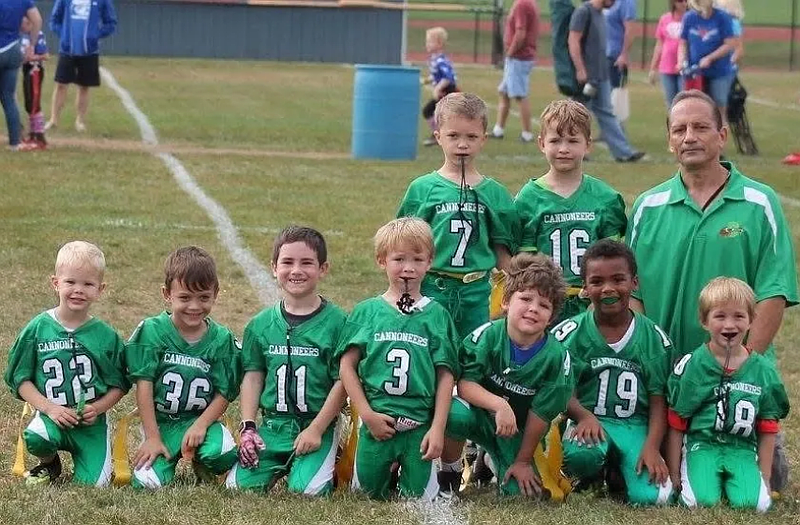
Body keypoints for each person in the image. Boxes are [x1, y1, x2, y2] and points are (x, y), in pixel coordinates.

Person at [626, 89, 798, 493]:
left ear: (722, 136)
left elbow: (774, 292)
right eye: (680, 129)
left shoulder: (759, 202)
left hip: (737, 370)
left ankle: (749, 436)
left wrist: (743, 365)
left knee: (766, 481)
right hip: (666, 377)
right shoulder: (648, 206)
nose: (690, 137)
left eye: (701, 127)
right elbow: (631, 290)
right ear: (669, 139)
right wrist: (648, 361)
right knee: (639, 480)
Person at [336, 217, 459, 500]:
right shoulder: (367, 311)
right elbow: (347, 366)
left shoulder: (437, 315)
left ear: (430, 262)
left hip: (418, 425)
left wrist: (438, 427)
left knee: (420, 499)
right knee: (365, 496)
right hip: (376, 422)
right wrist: (366, 414)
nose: (408, 268)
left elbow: (446, 375)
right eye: (399, 259)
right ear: (382, 261)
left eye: (417, 259)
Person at [437, 252, 573, 498]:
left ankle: (490, 459)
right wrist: (499, 404)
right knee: (452, 412)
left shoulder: (555, 357)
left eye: (544, 305)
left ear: (552, 317)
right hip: (479, 415)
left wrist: (522, 461)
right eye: (526, 299)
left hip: (517, 431)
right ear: (506, 301)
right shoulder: (487, 336)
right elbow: (465, 384)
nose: (533, 309)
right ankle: (450, 473)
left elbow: (541, 415)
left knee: (524, 494)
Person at [226, 226, 348, 495]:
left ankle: (329, 452)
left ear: (323, 268)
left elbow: (344, 382)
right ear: (273, 267)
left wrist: (317, 429)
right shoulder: (260, 325)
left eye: (307, 263)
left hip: (318, 423)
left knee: (307, 492)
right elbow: (253, 375)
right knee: (237, 488)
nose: (296, 270)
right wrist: (248, 426)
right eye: (287, 262)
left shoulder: (338, 323)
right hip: (274, 425)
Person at [554, 239, 673, 505]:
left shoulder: (654, 339)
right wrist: (583, 416)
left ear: (635, 282)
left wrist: (652, 447)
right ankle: (594, 472)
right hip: (590, 420)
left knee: (654, 498)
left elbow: (658, 400)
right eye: (597, 282)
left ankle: (618, 471)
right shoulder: (571, 334)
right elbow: (563, 392)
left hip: (635, 425)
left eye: (618, 279)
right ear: (585, 288)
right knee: (581, 456)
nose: (608, 289)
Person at [4, 241, 128, 485]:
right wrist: (50, 408)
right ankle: (50, 463)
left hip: (90, 425)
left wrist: (100, 407)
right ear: (56, 283)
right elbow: (21, 380)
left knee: (95, 485)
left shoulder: (106, 336)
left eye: (88, 284)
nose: (78, 290)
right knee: (36, 435)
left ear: (100, 289)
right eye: (71, 282)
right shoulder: (38, 329)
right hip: (53, 417)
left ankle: (89, 457)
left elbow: (120, 384)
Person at [397, 92, 516, 339]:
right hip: (432, 287)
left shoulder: (495, 194)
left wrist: (515, 288)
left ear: (483, 139)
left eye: (471, 137)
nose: (462, 144)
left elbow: (501, 250)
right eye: (453, 136)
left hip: (477, 292)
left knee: (473, 355)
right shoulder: (422, 189)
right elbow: (404, 247)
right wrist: (401, 290)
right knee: (429, 350)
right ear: (438, 137)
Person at [666, 277, 789, 512]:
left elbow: (767, 425)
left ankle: (738, 482)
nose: (729, 325)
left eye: (739, 316)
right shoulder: (693, 365)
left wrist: (764, 475)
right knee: (700, 502)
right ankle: (704, 478)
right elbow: (677, 421)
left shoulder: (762, 370)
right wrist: (674, 474)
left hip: (742, 447)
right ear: (704, 321)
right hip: (702, 445)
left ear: (751, 320)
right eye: (720, 316)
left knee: (754, 505)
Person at [126, 246, 241, 489]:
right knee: (146, 483)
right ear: (167, 294)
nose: (194, 306)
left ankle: (202, 460)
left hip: (201, 420)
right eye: (185, 297)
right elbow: (143, 387)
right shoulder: (152, 331)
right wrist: (152, 436)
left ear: (215, 293)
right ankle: (162, 449)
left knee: (223, 455)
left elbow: (225, 392)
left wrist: (201, 424)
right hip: (162, 423)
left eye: (203, 297)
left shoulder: (221, 339)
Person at [515, 100, 626, 323]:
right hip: (546, 303)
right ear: (541, 144)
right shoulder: (527, 199)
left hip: (592, 304)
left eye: (573, 141)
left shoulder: (606, 198)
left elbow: (613, 258)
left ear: (588, 145)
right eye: (555, 140)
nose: (563, 149)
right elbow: (525, 261)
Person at [568, 0, 645, 162]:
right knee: (577, 115)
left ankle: (624, 153)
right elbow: (573, 40)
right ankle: (571, 151)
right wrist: (580, 69)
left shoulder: (601, 14)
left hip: (601, 75)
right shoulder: (583, 12)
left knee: (606, 113)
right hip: (587, 77)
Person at [46, 0, 117, 132]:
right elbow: (54, 20)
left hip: (89, 51)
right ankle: (53, 119)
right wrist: (64, 36)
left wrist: (95, 35)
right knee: (61, 84)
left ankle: (80, 120)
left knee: (84, 86)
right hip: (67, 50)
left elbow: (111, 22)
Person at [677, 0, 737, 122]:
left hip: (719, 71)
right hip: (695, 71)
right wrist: (681, 61)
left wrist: (710, 58)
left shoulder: (723, 18)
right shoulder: (689, 18)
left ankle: (720, 137)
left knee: (719, 105)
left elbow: (729, 44)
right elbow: (683, 43)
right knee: (694, 107)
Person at [489, 0, 539, 143]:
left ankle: (527, 134)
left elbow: (521, 32)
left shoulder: (522, 4)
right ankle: (498, 130)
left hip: (519, 57)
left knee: (519, 95)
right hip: (519, 57)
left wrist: (510, 53)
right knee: (504, 92)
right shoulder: (528, 3)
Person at [0, 0, 41, 150]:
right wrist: (32, 44)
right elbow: (37, 19)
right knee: (9, 97)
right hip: (13, 49)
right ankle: (14, 143)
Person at [421, 27, 458, 147]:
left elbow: (448, 77)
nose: (427, 44)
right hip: (443, 90)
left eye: (430, 41)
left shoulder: (441, 60)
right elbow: (436, 75)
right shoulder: (434, 59)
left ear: (439, 44)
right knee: (432, 112)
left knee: (432, 112)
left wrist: (437, 88)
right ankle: (440, 135)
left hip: (447, 90)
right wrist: (427, 81)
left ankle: (440, 136)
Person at [648, 0, 688, 107]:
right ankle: (673, 124)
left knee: (684, 101)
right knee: (671, 103)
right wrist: (653, 68)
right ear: (674, 2)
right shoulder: (665, 19)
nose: (684, 3)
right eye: (680, 1)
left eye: (686, 0)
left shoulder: (690, 19)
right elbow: (659, 44)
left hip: (684, 67)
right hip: (666, 67)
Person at [603, 0, 637, 125]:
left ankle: (618, 130)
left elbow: (630, 30)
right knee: (605, 97)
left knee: (616, 96)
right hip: (603, 55)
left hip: (615, 56)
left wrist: (624, 54)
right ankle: (606, 131)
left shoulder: (626, 3)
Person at [19, 15, 48, 149]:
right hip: (26, 69)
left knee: (34, 102)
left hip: (35, 69)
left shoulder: (38, 35)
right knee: (28, 103)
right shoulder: (22, 35)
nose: (22, 26)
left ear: (30, 23)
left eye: (24, 23)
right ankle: (33, 133)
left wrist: (33, 57)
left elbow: (45, 55)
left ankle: (39, 135)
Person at [714, 0, 744, 66]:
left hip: (725, 68)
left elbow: (738, 50)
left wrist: (729, 64)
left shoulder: (734, 23)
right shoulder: (715, 22)